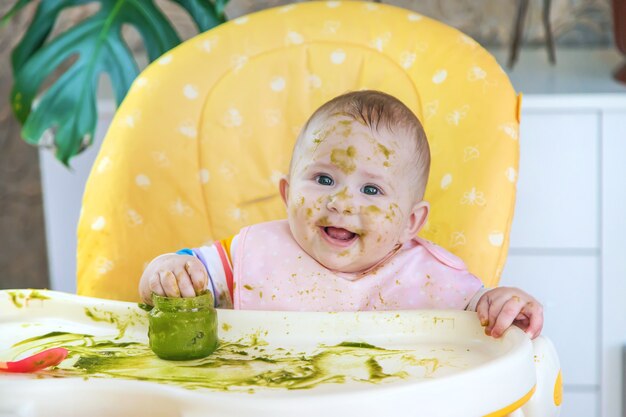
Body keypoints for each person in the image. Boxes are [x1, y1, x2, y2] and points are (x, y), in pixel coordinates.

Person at [138, 90, 543, 339]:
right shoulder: (252, 254)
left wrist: (503, 305)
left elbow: (485, 326)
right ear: (287, 192)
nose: (343, 203)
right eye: (323, 179)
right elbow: (184, 278)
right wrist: (165, 271)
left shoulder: (433, 278)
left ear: (410, 223)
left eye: (371, 189)